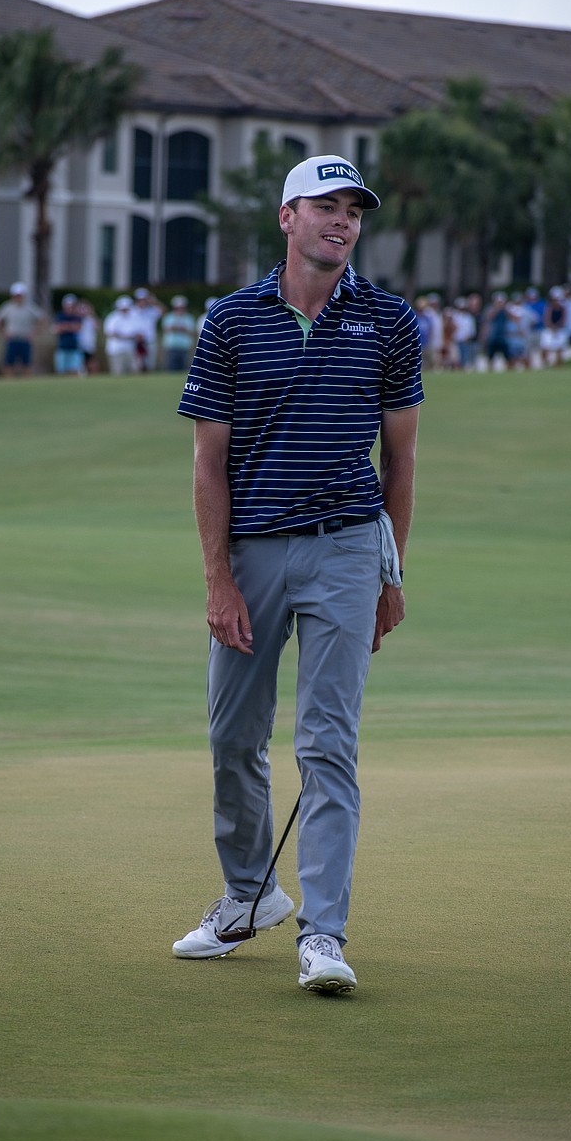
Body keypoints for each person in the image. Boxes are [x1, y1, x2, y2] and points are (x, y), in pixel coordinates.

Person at [173, 154, 423, 995]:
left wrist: (392, 573)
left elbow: (401, 458)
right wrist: (218, 579)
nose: (343, 221)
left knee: (328, 744)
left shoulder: (387, 320)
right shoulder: (233, 320)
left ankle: (322, 933)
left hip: (349, 547)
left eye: (355, 209)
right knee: (232, 736)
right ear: (287, 217)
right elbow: (209, 462)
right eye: (326, 206)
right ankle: (251, 894)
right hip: (253, 552)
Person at [0, 282, 45, 377]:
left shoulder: (30, 307)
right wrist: (3, 333)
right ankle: (8, 383)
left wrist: (34, 333)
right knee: (8, 363)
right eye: (16, 295)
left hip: (25, 338)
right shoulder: (8, 307)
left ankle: (26, 384)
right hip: (12, 338)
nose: (18, 298)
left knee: (27, 363)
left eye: (20, 295)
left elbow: (42, 318)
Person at [103, 295, 141, 374]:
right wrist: (125, 337)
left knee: (134, 370)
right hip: (116, 350)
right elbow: (109, 333)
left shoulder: (134, 317)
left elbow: (138, 332)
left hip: (130, 348)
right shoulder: (112, 318)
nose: (125, 310)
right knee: (118, 371)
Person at [132, 287, 166, 371]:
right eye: (140, 300)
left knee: (150, 365)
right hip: (135, 342)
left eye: (144, 299)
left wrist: (154, 301)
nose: (142, 302)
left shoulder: (152, 311)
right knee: (137, 365)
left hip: (150, 341)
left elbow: (164, 310)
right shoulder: (132, 311)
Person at [160, 295, 196, 372]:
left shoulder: (189, 318)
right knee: (171, 368)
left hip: (185, 347)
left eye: (182, 307)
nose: (180, 310)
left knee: (184, 369)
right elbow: (166, 329)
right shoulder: (168, 317)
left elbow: (192, 333)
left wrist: (183, 329)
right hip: (171, 347)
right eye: (178, 308)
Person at [54, 294, 83, 376]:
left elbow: (78, 328)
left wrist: (65, 326)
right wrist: (71, 326)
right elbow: (57, 329)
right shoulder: (60, 316)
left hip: (74, 347)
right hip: (62, 346)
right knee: (62, 371)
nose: (70, 308)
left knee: (75, 370)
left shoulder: (77, 317)